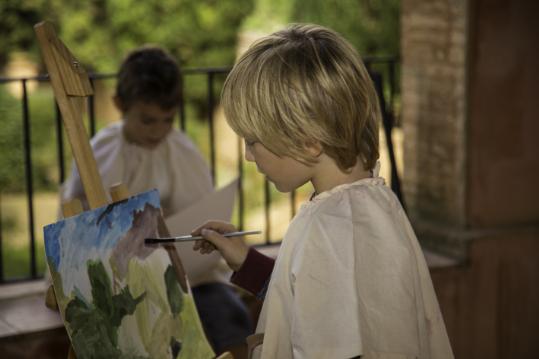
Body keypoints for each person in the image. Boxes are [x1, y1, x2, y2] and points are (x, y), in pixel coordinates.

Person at [191, 24, 454, 359]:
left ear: (309, 142)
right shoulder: (365, 205)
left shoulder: (332, 227)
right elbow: (315, 300)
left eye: (253, 141)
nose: (247, 154)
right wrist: (245, 261)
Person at [60, 46, 252, 357]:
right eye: (148, 120)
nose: (159, 130)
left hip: (186, 279)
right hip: (119, 283)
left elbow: (198, 208)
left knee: (227, 315)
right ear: (121, 105)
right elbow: (78, 217)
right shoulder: (102, 151)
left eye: (167, 119)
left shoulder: (181, 150)